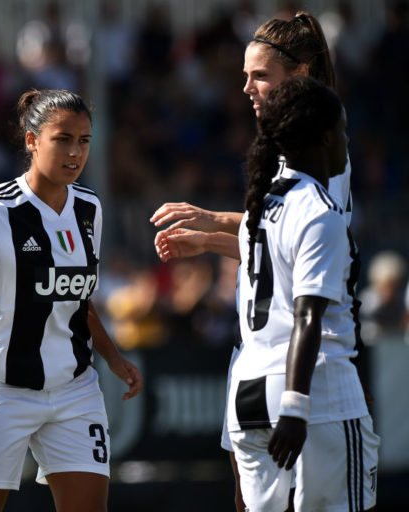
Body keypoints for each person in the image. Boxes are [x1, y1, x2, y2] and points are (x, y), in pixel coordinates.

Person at [150, 12, 354, 511]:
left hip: (287, 368)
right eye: (245, 75)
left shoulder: (322, 158)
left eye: (259, 75)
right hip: (282, 371)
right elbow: (277, 247)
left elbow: (289, 250)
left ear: (300, 75)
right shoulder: (295, 159)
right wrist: (211, 231)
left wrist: (211, 228)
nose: (246, 87)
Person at [0, 89, 143, 512]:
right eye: (62, 139)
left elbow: (77, 295)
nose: (75, 152)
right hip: (1, 389)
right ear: (31, 141)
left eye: (83, 140)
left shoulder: (89, 207)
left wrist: (113, 357)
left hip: (76, 391)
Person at [228, 75, 378, 511]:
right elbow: (308, 315)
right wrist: (295, 408)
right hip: (315, 391)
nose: (346, 141)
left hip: (249, 392)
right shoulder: (319, 211)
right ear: (326, 137)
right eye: (343, 131)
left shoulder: (258, 207)